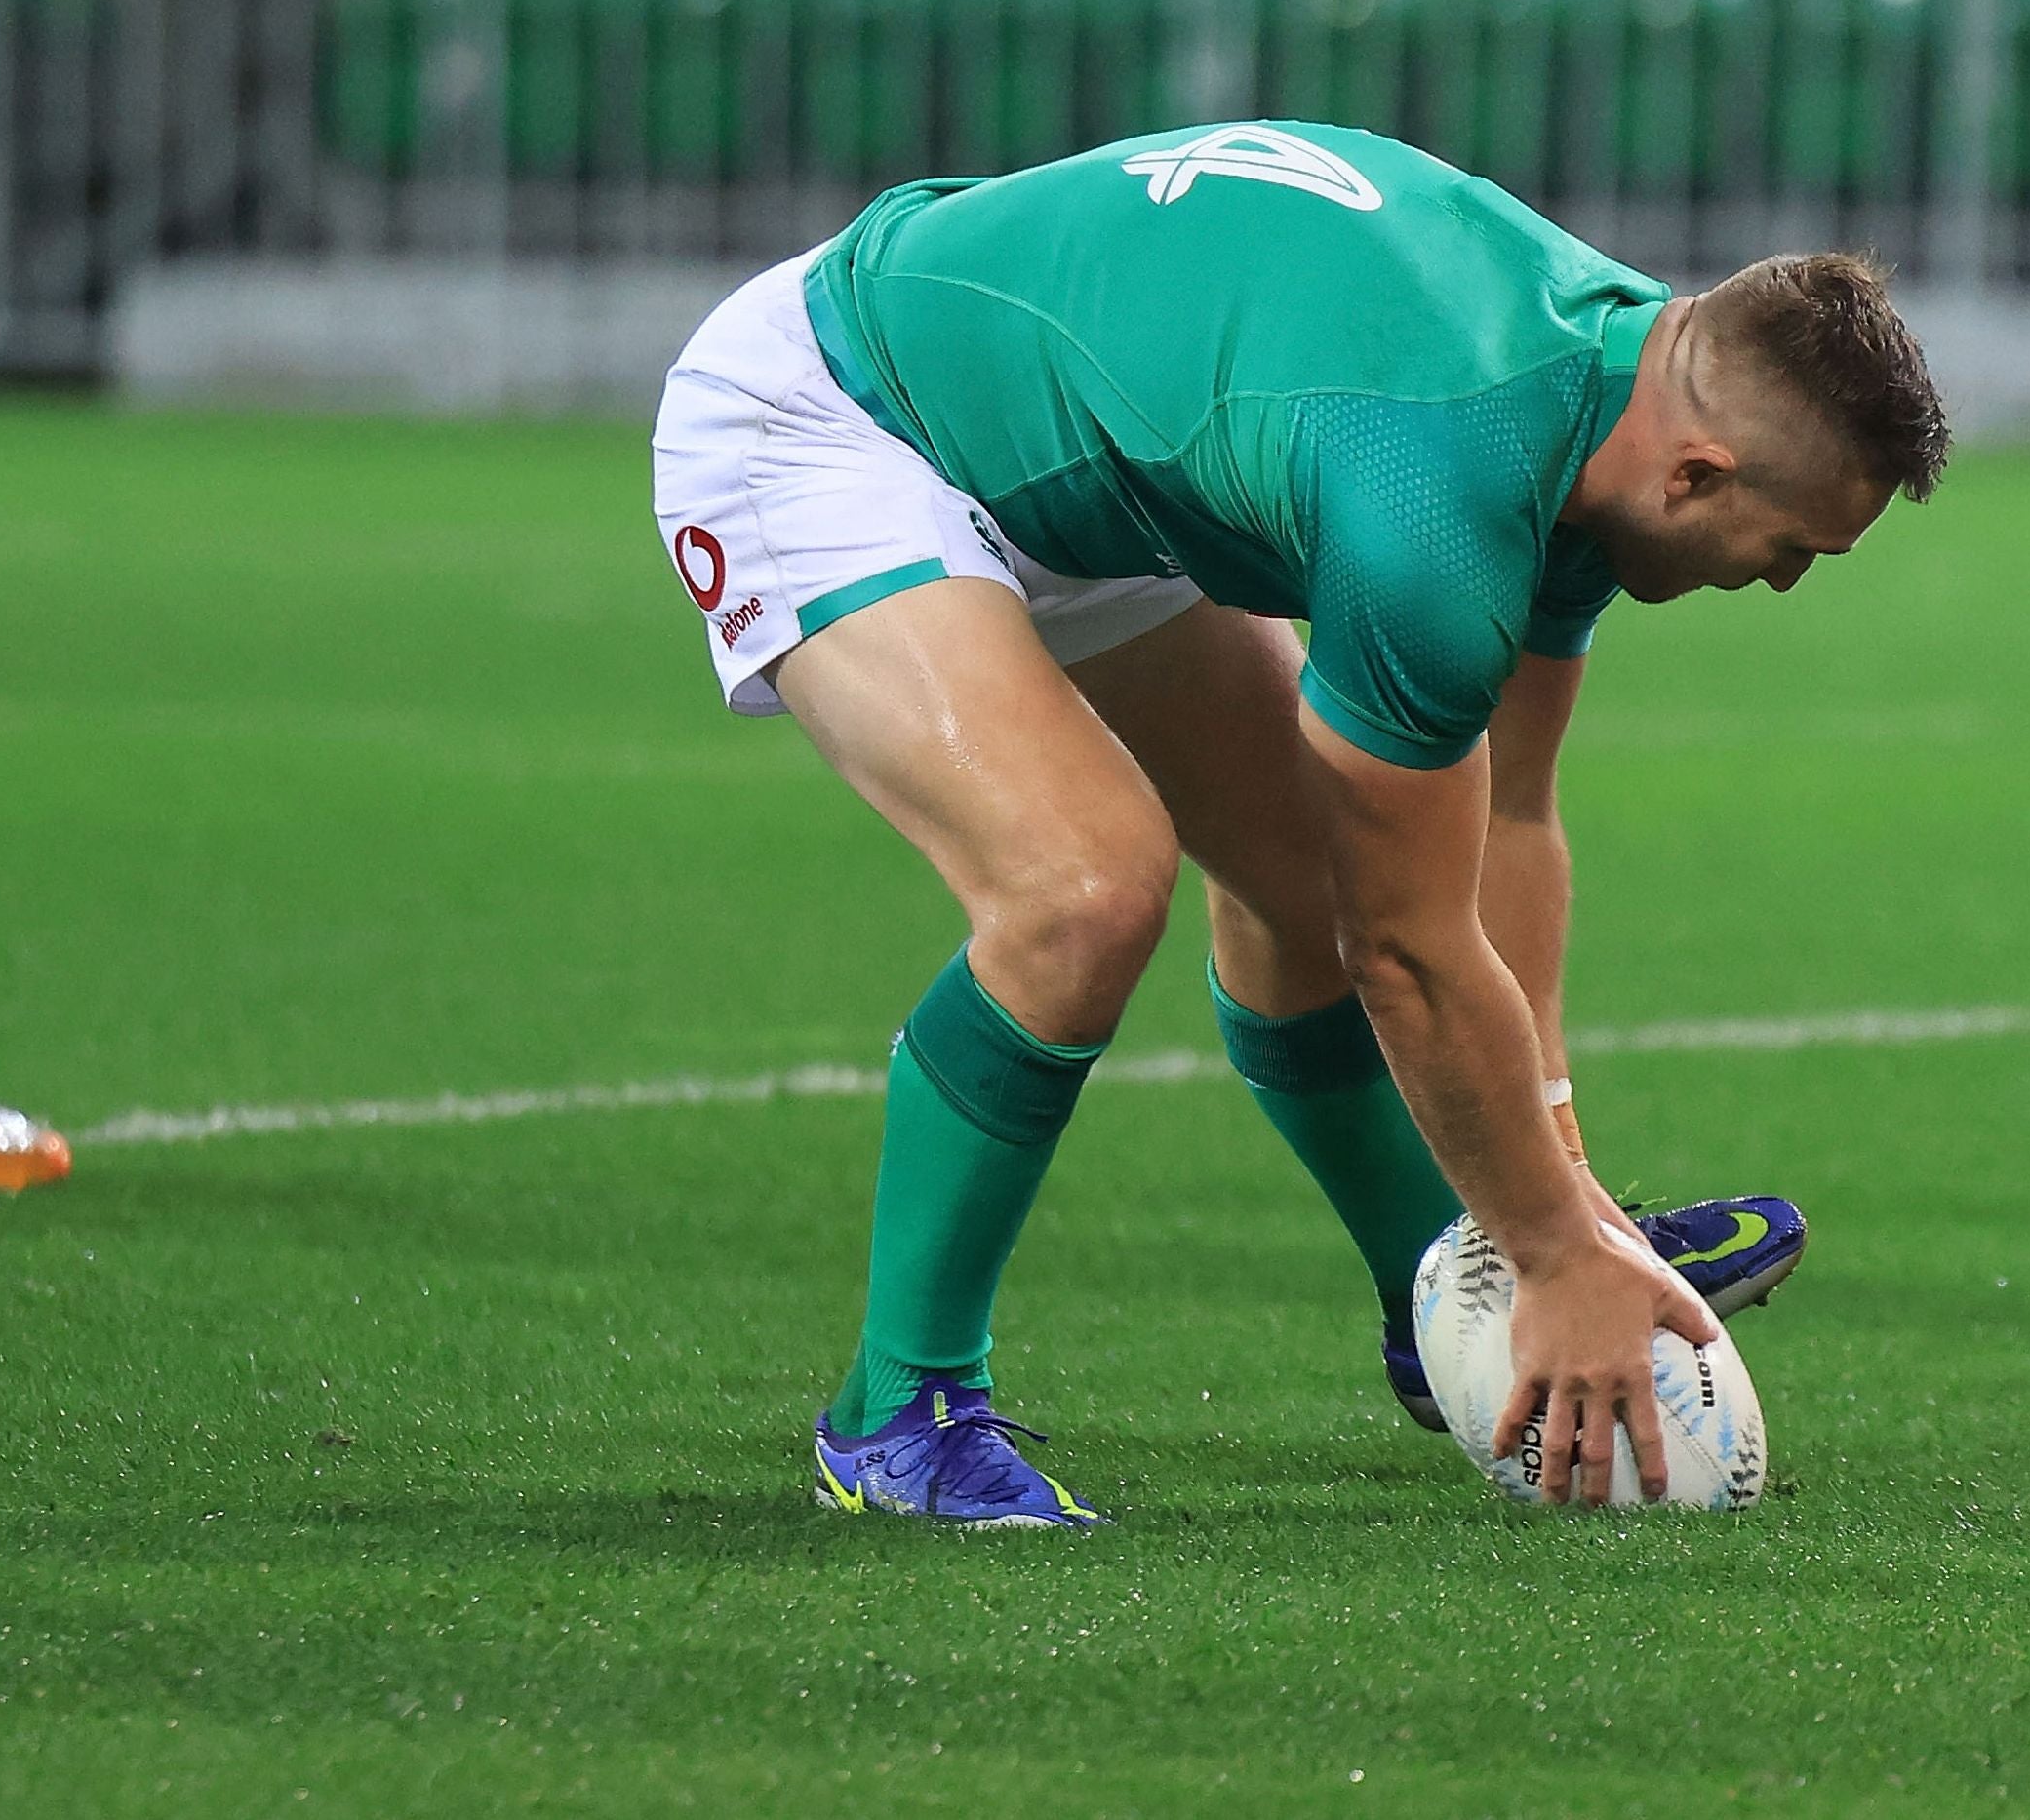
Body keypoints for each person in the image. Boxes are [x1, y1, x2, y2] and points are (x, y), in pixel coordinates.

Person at [651, 122, 1949, 1527]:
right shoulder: (1437, 503)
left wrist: (1558, 1203)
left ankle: (1436, 1283)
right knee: (1080, 887)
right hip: (838, 407)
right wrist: (1558, 1254)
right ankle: (893, 1413)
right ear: (1694, 478)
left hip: (1079, 454)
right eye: (1795, 550)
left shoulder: (1612, 394)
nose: (1783, 588)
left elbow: (1506, 815)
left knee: (1310, 874)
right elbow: (1407, 946)